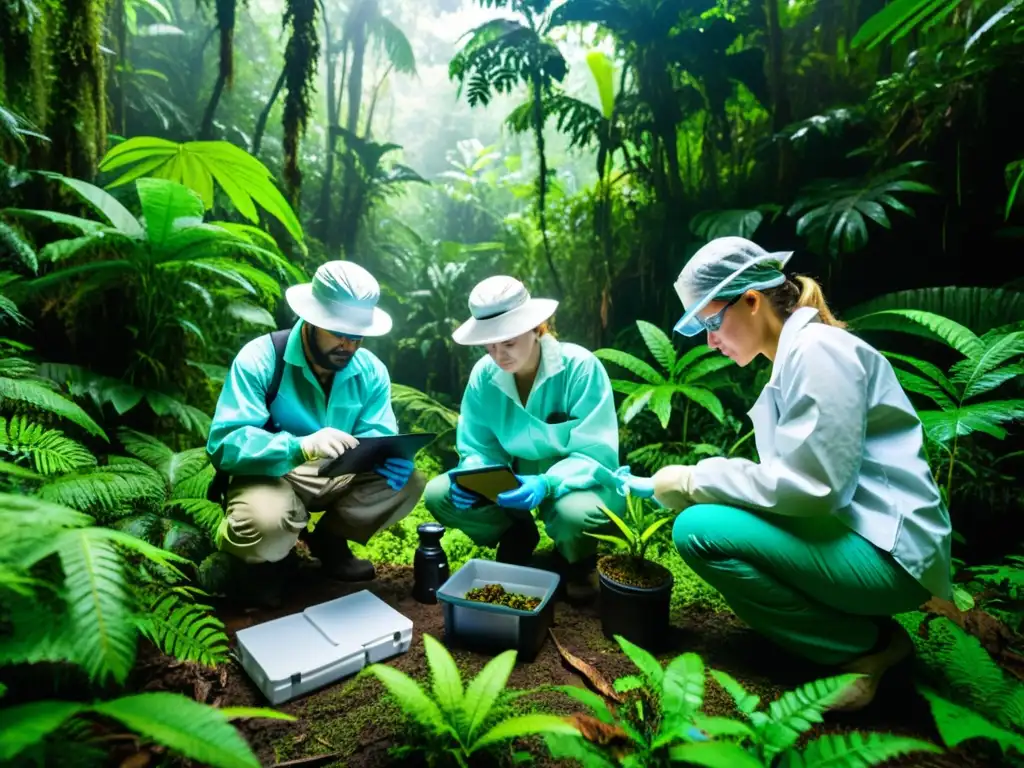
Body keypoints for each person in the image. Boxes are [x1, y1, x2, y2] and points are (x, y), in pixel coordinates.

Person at [620, 236, 952, 711]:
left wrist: (696, 480)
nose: (711, 341)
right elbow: (797, 481)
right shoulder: (797, 357)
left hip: (890, 553)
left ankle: (865, 648)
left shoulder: (818, 352)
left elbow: (813, 486)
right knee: (713, 517)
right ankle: (860, 630)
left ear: (752, 301)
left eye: (712, 321)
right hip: (861, 534)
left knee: (699, 530)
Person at [207, 261, 426, 601]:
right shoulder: (262, 359)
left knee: (408, 483)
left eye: (357, 336)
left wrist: (388, 458)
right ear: (311, 319)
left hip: (336, 472)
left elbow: (377, 435)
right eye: (339, 333)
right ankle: (266, 562)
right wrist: (299, 446)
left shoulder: (370, 371)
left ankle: (329, 541)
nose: (349, 345)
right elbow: (225, 444)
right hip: (271, 472)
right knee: (263, 523)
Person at [424, 276, 625, 602]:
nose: (499, 355)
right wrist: (473, 474)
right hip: (513, 477)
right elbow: (478, 445)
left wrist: (547, 483)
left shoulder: (581, 368)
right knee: (439, 493)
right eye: (489, 346)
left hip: (578, 479)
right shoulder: (483, 376)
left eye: (508, 343)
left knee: (575, 514)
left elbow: (596, 454)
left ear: (537, 328)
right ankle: (515, 533)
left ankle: (578, 559)